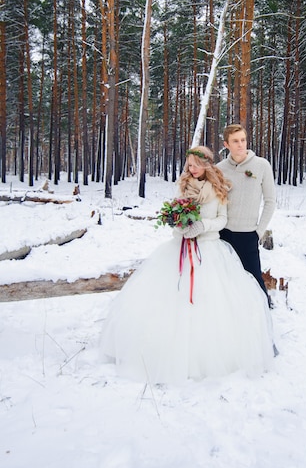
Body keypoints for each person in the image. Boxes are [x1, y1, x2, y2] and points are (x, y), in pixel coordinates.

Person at [100, 145, 275, 384]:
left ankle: (209, 356)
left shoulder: (219, 187)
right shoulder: (183, 185)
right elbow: (174, 215)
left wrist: (202, 226)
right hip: (181, 250)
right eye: (189, 165)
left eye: (195, 164)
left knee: (211, 300)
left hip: (210, 250)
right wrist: (180, 226)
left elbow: (222, 219)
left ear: (206, 165)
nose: (190, 169)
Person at [217, 124, 276, 308]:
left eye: (243, 140)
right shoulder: (219, 169)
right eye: (235, 141)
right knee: (225, 276)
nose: (240, 144)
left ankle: (264, 309)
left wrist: (258, 232)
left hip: (248, 234)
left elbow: (270, 201)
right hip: (224, 233)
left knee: (253, 276)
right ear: (226, 144)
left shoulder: (261, 165)